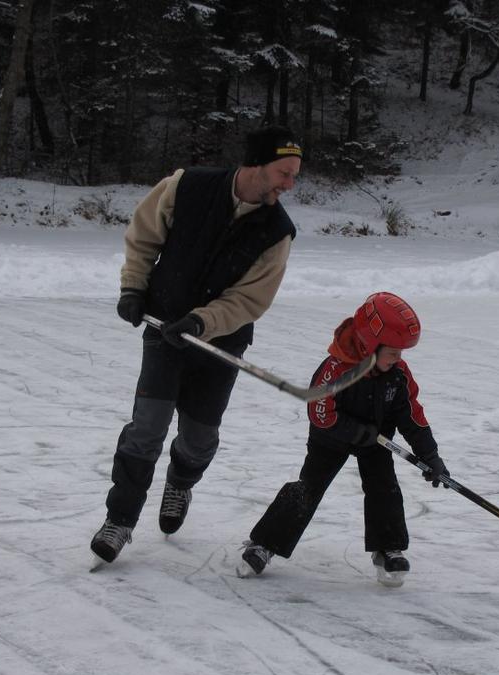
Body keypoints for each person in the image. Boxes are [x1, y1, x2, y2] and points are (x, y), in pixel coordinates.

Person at [90, 125, 303, 564]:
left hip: (219, 343)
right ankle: (120, 520)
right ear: (255, 165)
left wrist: (202, 321)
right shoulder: (185, 185)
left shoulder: (278, 230)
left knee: (198, 439)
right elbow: (144, 235)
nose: (289, 184)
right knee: (146, 428)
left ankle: (180, 483)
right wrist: (134, 288)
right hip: (165, 330)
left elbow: (250, 299)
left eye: (294, 175)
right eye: (284, 173)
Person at [236, 292, 450, 586]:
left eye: (401, 353)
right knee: (307, 488)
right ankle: (264, 544)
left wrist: (431, 456)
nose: (399, 359)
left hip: (376, 442)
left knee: (384, 487)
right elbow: (320, 413)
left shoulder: (398, 374)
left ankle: (387, 548)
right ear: (370, 345)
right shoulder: (337, 368)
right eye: (393, 352)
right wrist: (355, 431)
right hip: (330, 439)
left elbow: (412, 415)